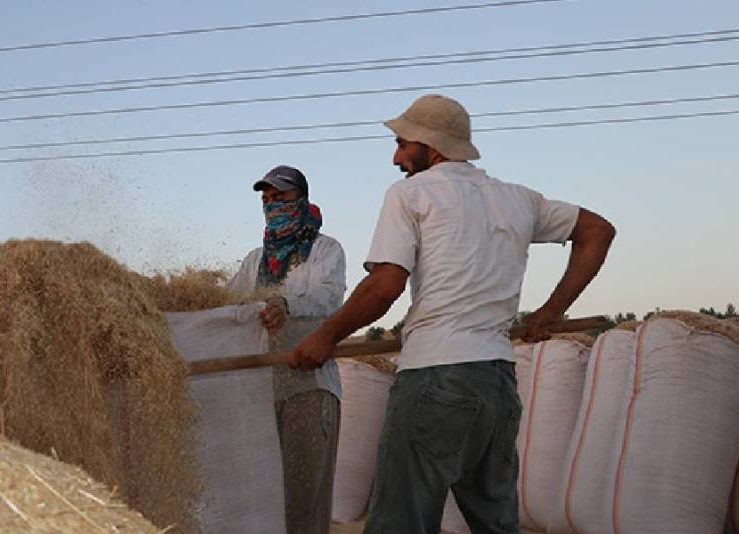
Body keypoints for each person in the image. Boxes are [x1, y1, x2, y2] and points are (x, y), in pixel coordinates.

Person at [290, 94, 616, 534]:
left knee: (399, 524)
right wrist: (552, 310)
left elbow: (385, 286)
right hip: (497, 383)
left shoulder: (410, 194)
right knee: (496, 523)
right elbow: (598, 230)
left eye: (403, 144)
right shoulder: (517, 199)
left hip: (435, 376)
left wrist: (325, 337)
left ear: (431, 145)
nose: (396, 157)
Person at [226, 164, 347, 534]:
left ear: (302, 199)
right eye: (267, 199)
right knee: (265, 495)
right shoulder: (255, 260)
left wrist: (287, 304)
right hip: (263, 390)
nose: (272, 205)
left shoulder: (325, 250)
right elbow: (229, 305)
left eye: (281, 197)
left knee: (304, 495)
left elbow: (329, 297)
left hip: (309, 386)